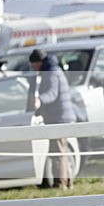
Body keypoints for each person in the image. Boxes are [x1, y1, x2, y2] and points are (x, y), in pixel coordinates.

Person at [30, 48, 75, 189]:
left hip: (58, 118)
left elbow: (52, 93)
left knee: (57, 153)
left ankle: (60, 184)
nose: (33, 68)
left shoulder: (51, 73)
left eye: (33, 64)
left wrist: (39, 100)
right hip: (62, 117)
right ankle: (68, 182)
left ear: (38, 62)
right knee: (62, 151)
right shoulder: (54, 70)